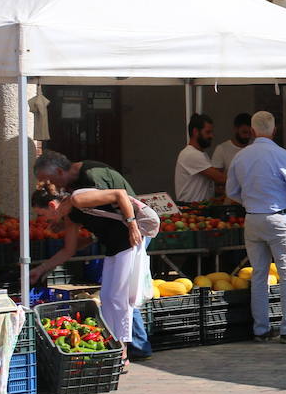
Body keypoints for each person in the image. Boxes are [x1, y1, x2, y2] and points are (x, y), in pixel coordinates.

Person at [32, 150, 152, 360]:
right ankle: (115, 347)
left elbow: (120, 195)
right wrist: (40, 270)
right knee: (108, 296)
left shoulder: (81, 192)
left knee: (118, 298)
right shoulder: (71, 206)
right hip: (114, 243)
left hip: (128, 238)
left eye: (43, 215)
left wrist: (133, 227)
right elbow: (68, 250)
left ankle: (123, 353)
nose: (44, 221)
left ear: (52, 205)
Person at [227, 111, 286, 342]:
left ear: (252, 131)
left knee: (259, 275)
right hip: (278, 218)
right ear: (274, 130)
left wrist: (250, 202)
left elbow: (231, 191)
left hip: (252, 218)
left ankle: (261, 329)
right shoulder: (281, 154)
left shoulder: (240, 156)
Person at [175, 113, 226, 203]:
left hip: (199, 208)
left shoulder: (200, 154)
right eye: (207, 132)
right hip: (191, 210)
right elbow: (220, 178)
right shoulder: (191, 154)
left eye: (211, 132)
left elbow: (202, 186)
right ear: (195, 132)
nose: (211, 136)